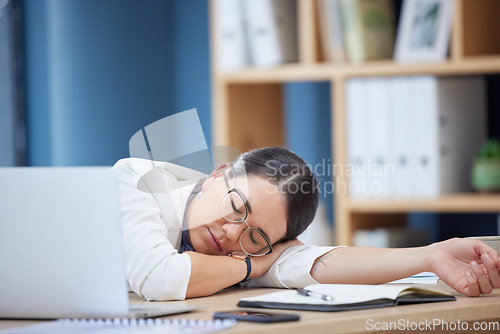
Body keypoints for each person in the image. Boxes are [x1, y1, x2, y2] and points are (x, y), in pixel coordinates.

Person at [112, 147, 500, 301]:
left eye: (256, 237)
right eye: (236, 205)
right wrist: (249, 265)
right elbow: (160, 277)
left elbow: (317, 263)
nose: (233, 232)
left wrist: (430, 256)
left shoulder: (256, 249)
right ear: (218, 175)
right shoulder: (138, 180)